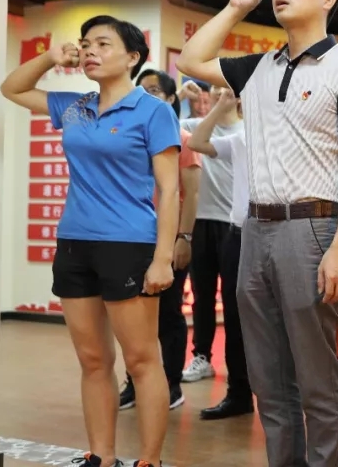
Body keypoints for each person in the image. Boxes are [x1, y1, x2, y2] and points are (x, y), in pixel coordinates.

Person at [176, 0, 338, 467]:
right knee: (269, 380)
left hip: (312, 229)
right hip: (255, 230)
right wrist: (236, 7)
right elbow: (190, 61)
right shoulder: (258, 67)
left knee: (317, 381)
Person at [0, 15, 179, 467]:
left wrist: (163, 258)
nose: (90, 51)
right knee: (93, 360)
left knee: (141, 360)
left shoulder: (153, 111)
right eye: (85, 44)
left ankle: (150, 460)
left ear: (133, 57)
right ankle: (102, 456)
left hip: (129, 245)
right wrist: (50, 57)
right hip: (74, 243)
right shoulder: (74, 106)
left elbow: (170, 188)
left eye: (102, 43)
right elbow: (13, 89)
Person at [115, 70, 202, 412]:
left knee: (167, 314)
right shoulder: (132, 137)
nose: (146, 97)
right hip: (131, 239)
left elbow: (191, 195)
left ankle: (171, 384)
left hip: (167, 239)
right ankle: (134, 382)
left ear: (170, 99)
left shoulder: (182, 139)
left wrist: (184, 238)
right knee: (131, 316)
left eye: (154, 91)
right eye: (142, 91)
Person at [187, 89, 255, 420]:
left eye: (227, 87)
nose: (219, 91)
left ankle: (278, 392)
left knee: (253, 314)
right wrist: (215, 108)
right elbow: (195, 142)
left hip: (262, 230)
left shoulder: (254, 132)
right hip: (229, 230)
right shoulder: (232, 137)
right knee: (218, 304)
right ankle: (237, 389)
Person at [179, 84, 244, 388]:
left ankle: (238, 365)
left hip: (234, 225)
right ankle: (201, 356)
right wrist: (180, 97)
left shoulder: (246, 130)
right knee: (202, 296)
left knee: (234, 299)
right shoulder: (196, 126)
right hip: (200, 221)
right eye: (215, 87)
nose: (220, 91)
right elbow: (160, 124)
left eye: (226, 87)